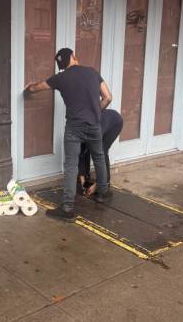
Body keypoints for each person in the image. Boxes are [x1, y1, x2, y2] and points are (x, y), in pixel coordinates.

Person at [24, 48, 113, 222]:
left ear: (61, 65)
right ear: (73, 57)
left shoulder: (60, 78)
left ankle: (67, 208)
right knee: (99, 157)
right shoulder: (93, 73)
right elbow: (108, 97)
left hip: (74, 127)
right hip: (94, 124)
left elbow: (37, 87)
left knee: (71, 165)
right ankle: (102, 192)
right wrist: (96, 112)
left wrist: (29, 89)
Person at [77, 109, 123, 196]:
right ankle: (87, 179)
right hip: (101, 124)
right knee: (84, 148)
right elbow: (81, 153)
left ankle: (105, 184)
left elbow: (99, 157)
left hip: (115, 122)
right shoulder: (79, 130)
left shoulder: (95, 132)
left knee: (102, 150)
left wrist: (97, 185)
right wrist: (83, 180)